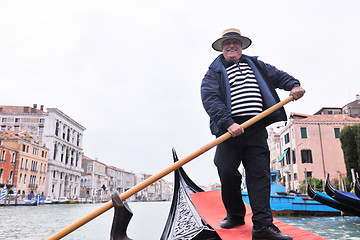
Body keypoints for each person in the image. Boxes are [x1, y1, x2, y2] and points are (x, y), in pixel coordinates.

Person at [201, 28, 305, 240]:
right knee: (226, 170)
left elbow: (279, 76)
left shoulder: (257, 65)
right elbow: (210, 98)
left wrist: (294, 84)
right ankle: (236, 214)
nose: (231, 45)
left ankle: (263, 227)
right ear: (222, 47)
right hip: (228, 132)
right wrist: (228, 123)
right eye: (227, 43)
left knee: (259, 177)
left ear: (241, 46)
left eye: (235, 42)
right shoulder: (214, 72)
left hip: (256, 130)